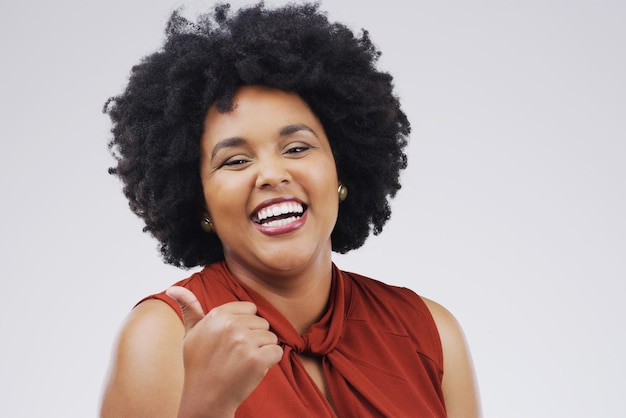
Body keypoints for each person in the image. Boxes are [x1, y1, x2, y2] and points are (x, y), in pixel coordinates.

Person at [100, 2, 481, 417]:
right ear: (200, 201)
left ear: (341, 172)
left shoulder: (430, 333)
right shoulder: (164, 337)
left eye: (297, 148)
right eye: (236, 160)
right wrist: (205, 405)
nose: (271, 174)